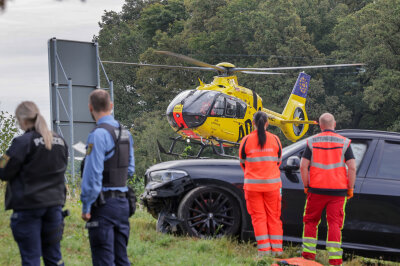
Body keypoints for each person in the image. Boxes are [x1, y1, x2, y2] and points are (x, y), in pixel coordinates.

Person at [0, 101, 68, 266]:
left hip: (28, 207)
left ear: (22, 120)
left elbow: (3, 171)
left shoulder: (22, 142)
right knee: (54, 258)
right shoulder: (60, 141)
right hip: (54, 207)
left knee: (31, 259)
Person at [81, 89, 135, 266]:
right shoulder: (126, 134)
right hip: (122, 205)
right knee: (121, 260)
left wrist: (87, 206)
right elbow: (130, 170)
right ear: (111, 106)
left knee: (103, 260)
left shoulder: (97, 135)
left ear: (90, 108)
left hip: (103, 206)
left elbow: (92, 174)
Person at [300, 113, 356, 266]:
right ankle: (335, 260)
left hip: (316, 190)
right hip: (338, 192)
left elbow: (303, 166)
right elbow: (352, 167)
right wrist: (350, 188)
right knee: (334, 224)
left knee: (310, 221)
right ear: (335, 124)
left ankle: (308, 257)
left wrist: (306, 185)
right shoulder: (344, 142)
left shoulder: (312, 141)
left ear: (320, 125)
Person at [239, 111, 283, 257]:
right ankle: (277, 252)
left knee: (259, 218)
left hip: (252, 187)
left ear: (253, 123)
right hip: (272, 187)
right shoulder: (275, 139)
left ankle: (264, 251)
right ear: (267, 123)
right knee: (274, 218)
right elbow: (278, 162)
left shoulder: (245, 140)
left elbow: (243, 163)